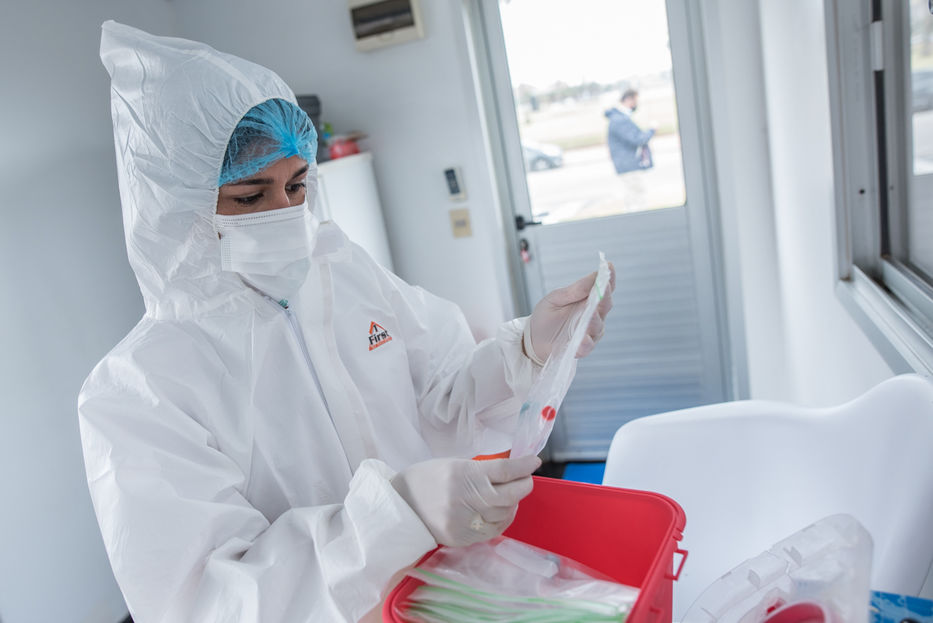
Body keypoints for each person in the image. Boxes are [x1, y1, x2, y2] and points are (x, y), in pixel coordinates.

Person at [79, 21, 615, 623]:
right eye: (251, 197)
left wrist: (526, 353)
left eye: (297, 185)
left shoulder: (340, 271)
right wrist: (394, 516)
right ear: (175, 209)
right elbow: (211, 601)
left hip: (442, 591)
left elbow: (444, 391)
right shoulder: (139, 390)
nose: (287, 214)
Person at [606, 88, 655, 175]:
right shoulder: (619, 119)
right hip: (629, 168)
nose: (636, 104)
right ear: (628, 99)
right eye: (636, 101)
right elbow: (637, 139)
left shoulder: (620, 117)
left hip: (629, 166)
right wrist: (652, 130)